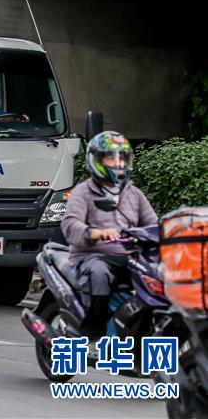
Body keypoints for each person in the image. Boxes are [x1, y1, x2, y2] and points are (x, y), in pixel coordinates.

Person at [61, 130, 158, 339]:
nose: (117, 163)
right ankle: (95, 331)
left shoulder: (134, 193)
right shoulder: (83, 191)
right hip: (91, 257)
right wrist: (96, 233)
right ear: (96, 160)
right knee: (100, 273)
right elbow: (69, 224)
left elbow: (153, 224)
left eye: (121, 158)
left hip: (128, 257)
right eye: (110, 157)